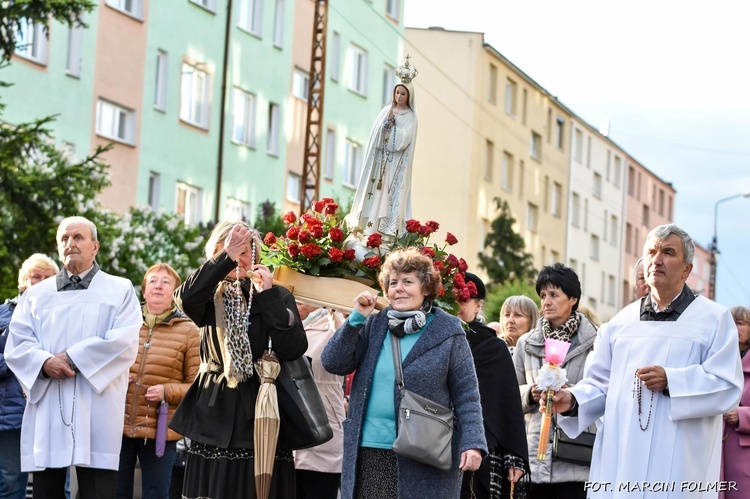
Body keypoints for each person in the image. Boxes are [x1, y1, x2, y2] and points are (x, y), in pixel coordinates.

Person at [548, 224, 744, 498]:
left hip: (679, 461)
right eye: (651, 251)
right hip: (623, 456)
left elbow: (727, 386)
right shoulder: (620, 323)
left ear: (687, 269)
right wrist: (573, 401)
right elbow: (601, 384)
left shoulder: (713, 320)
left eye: (668, 252)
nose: (657, 259)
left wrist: (672, 381)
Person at [321, 247, 487, 499]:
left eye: (408, 282)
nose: (399, 288)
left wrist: (473, 443)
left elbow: (467, 394)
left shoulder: (448, 330)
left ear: (426, 288)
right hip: (369, 450)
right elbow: (333, 362)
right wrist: (355, 320)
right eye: (393, 282)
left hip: (423, 453)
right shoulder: (374, 324)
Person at [168, 221, 308, 499]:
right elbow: (184, 299)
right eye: (230, 250)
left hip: (262, 410)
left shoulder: (277, 294)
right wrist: (225, 257)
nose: (238, 258)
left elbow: (293, 348)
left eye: (246, 252)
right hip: (214, 409)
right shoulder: (207, 295)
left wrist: (268, 298)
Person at [5, 216, 142, 499]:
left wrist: (72, 358)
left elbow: (125, 340)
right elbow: (18, 342)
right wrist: (44, 362)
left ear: (95, 246)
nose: (71, 244)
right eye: (64, 239)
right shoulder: (36, 295)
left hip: (98, 403)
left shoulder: (119, 289)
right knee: (47, 490)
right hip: (49, 402)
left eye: (78, 237)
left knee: (97, 489)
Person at [513, 263, 597, 499]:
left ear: (573, 298)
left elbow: (603, 392)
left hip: (577, 461)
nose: (546, 301)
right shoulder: (526, 344)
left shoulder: (596, 342)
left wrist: (575, 397)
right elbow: (509, 396)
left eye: (554, 295)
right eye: (542, 295)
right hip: (533, 462)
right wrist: (530, 393)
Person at [117, 263, 200, 499]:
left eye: (166, 282)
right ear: (143, 290)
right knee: (115, 492)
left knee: (155, 493)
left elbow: (197, 386)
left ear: (175, 292)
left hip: (160, 430)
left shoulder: (189, 331)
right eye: (153, 281)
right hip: (118, 426)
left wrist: (167, 390)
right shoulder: (125, 323)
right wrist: (118, 378)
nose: (158, 286)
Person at [458, 273, 528, 499]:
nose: (456, 304)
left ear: (478, 305)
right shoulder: (433, 340)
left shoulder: (494, 348)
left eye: (464, 299)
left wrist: (514, 456)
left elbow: (509, 405)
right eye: (452, 296)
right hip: (435, 443)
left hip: (485, 451)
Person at [0, 254, 59, 499]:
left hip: (54, 410)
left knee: (57, 485)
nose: (42, 281)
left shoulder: (65, 314)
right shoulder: (3, 314)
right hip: (13, 413)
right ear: (24, 281)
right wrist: (33, 360)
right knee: (11, 483)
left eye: (48, 277)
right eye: (36, 277)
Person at [344, 58, 418, 240]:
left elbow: (403, 140)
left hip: (393, 169)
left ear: (409, 96)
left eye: (403, 94)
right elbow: (376, 135)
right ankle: (367, 229)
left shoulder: (411, 117)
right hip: (378, 166)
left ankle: (383, 235)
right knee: (374, 196)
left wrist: (393, 128)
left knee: (388, 199)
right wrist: (386, 123)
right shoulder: (386, 111)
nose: (399, 97)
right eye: (397, 93)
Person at [294, 304, 346, 499]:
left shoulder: (336, 320)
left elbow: (348, 349)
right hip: (284, 432)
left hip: (322, 427)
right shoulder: (278, 317)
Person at [720, 306, 750, 499]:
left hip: (743, 456)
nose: (735, 328)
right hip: (713, 450)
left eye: (740, 323)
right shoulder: (717, 362)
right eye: (730, 323)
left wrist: (742, 415)